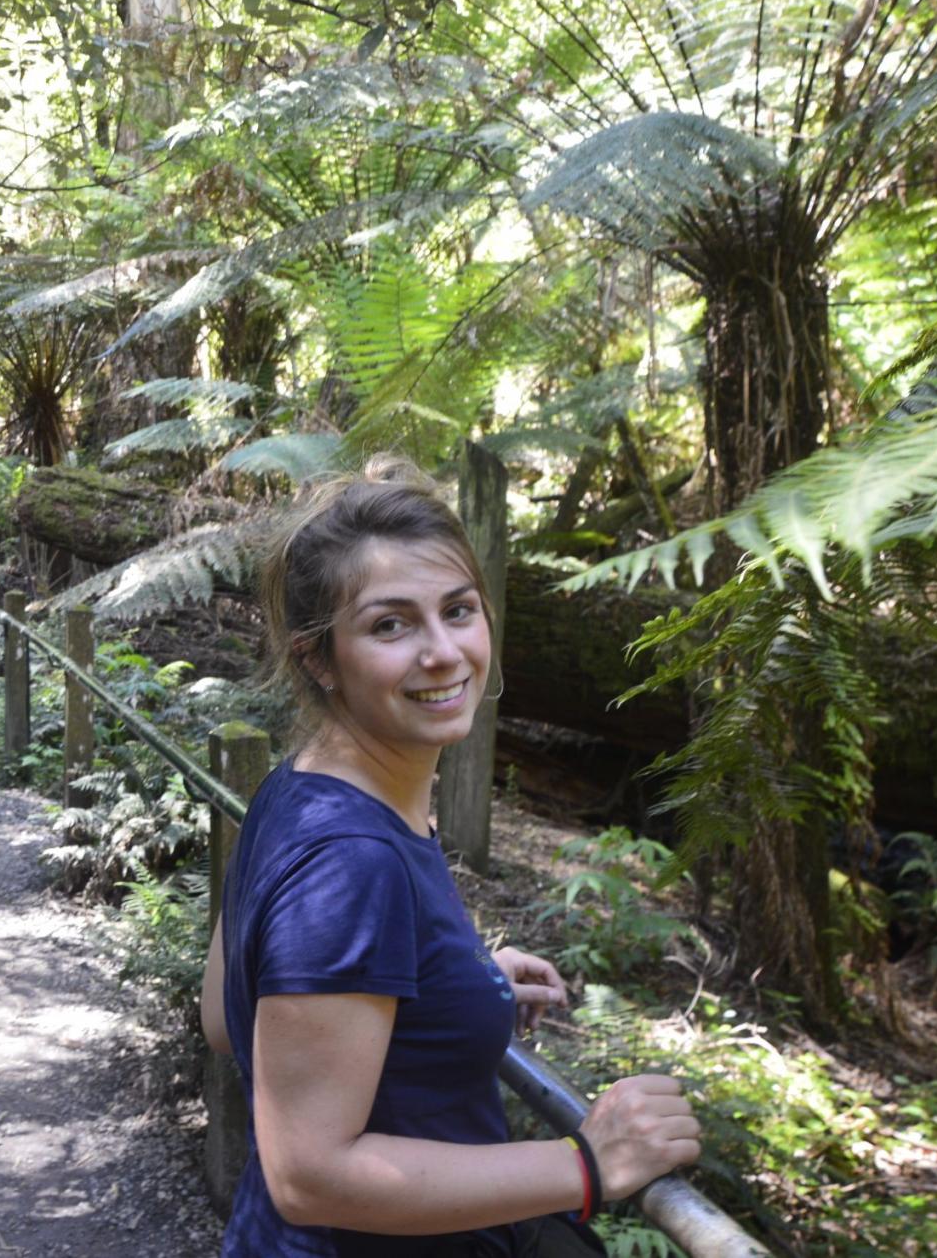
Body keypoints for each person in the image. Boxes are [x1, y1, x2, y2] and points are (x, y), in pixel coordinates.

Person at [198, 456, 700, 1257]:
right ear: (317, 658)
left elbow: (229, 1019)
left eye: (458, 610)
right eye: (390, 624)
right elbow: (310, 1175)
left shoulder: (295, 788)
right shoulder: (350, 861)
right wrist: (587, 1164)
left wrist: (444, 983)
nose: (443, 652)